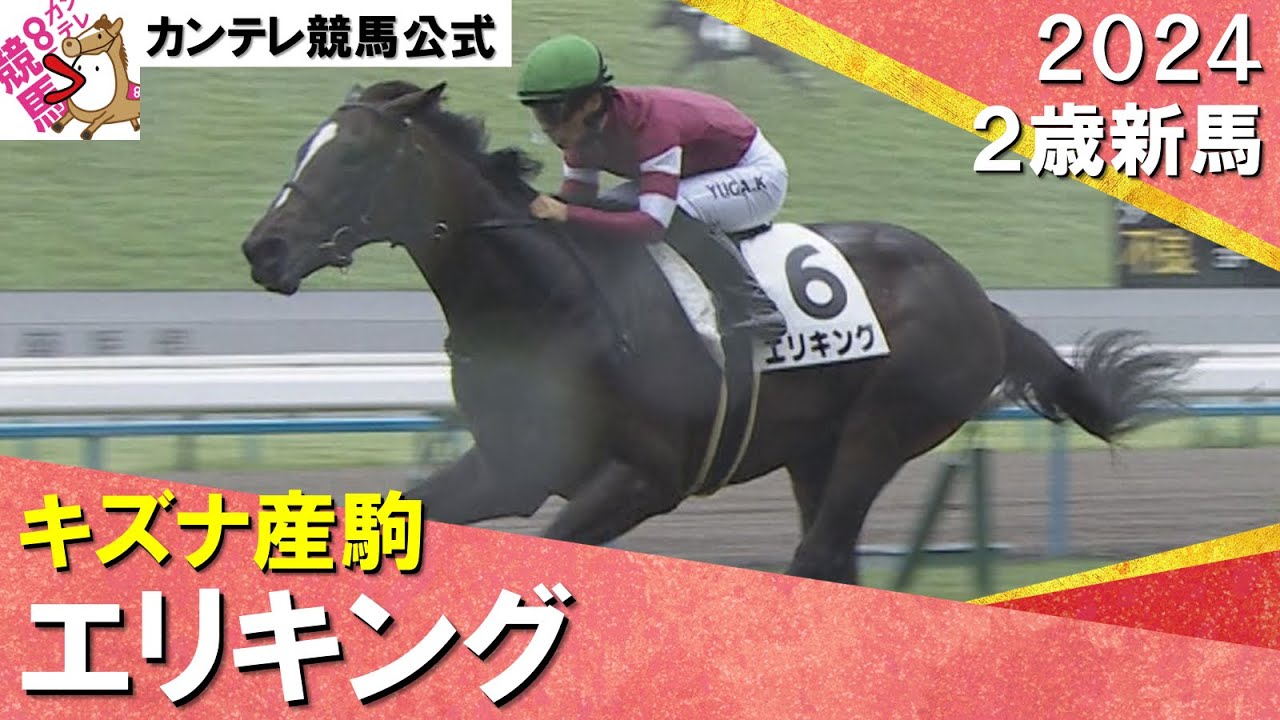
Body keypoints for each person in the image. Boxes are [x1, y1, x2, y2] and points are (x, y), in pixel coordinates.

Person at [515, 33, 789, 342]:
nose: (548, 128)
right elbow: (580, 202)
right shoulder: (582, 135)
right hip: (701, 172)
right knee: (608, 206)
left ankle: (757, 307)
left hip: (756, 174)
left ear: (592, 102)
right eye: (540, 114)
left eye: (552, 114)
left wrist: (567, 214)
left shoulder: (651, 125)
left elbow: (652, 226)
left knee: (675, 211)